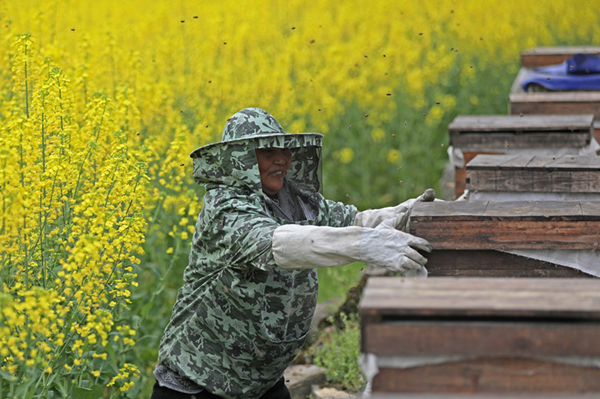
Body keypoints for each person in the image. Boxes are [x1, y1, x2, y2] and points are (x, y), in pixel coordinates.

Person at [152, 107, 434, 399]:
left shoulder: (291, 198)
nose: (282, 159)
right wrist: (366, 245)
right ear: (241, 160)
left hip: (262, 384)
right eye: (268, 151)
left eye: (284, 149)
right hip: (198, 387)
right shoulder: (224, 208)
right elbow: (277, 244)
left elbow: (351, 221)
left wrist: (404, 213)